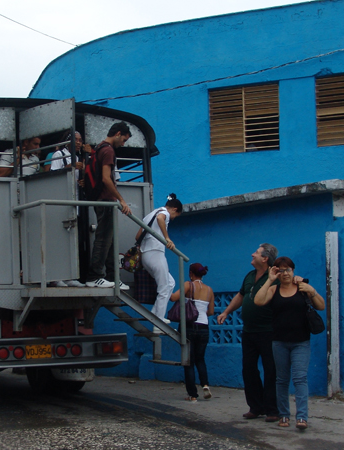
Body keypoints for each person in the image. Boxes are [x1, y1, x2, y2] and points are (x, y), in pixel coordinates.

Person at [254, 256, 325, 430]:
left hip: (301, 342)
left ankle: (302, 417)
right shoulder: (273, 290)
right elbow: (258, 300)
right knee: (282, 380)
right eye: (281, 270)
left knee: (300, 379)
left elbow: (321, 306)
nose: (285, 273)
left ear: (293, 270)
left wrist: (312, 290)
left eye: (288, 270)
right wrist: (269, 279)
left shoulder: (302, 288)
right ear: (276, 272)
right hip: (279, 342)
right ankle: (284, 415)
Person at [217, 243, 280, 422]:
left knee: (271, 371)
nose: (252, 255)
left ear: (265, 258)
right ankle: (255, 406)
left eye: (256, 253)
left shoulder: (274, 277)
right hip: (249, 331)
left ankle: (272, 409)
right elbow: (241, 295)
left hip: (268, 331)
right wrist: (226, 312)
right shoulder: (250, 276)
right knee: (249, 369)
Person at [85, 122, 132, 289]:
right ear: (118, 134)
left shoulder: (100, 148)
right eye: (124, 140)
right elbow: (106, 178)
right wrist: (121, 199)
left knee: (110, 240)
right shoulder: (108, 150)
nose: (123, 144)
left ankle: (113, 277)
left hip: (103, 199)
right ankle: (95, 276)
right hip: (105, 200)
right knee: (103, 239)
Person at [169, 262, 214, 401]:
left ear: (190, 273)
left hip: (189, 326)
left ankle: (192, 395)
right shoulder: (209, 290)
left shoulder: (188, 284)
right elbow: (211, 312)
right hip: (203, 328)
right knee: (200, 359)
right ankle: (205, 384)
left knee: (188, 362)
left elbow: (173, 298)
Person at [136, 194, 182, 327]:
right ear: (174, 209)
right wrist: (167, 238)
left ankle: (155, 314)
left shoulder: (149, 215)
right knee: (164, 288)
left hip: (146, 256)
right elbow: (160, 218)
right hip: (156, 253)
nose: (172, 218)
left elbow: (137, 236)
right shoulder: (164, 213)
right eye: (175, 216)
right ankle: (158, 321)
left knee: (170, 283)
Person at [48, 130, 86, 288]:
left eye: (80, 140)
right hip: (61, 201)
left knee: (72, 240)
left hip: (74, 202)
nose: (78, 142)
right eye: (75, 140)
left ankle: (70, 276)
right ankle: (56, 277)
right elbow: (54, 175)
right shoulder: (59, 155)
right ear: (67, 141)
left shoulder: (78, 157)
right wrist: (71, 166)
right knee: (59, 240)